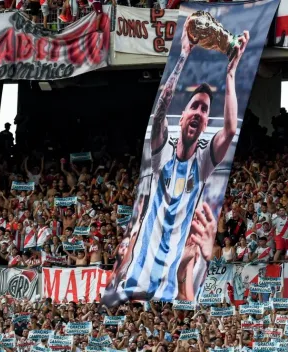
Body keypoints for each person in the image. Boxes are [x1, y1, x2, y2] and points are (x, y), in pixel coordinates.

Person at [102, 18, 249, 305]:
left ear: (207, 121)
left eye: (205, 110)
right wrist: (182, 56)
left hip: (172, 278)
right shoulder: (161, 152)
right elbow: (158, 115)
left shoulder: (204, 161)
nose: (199, 112)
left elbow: (230, 130)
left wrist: (230, 75)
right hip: (139, 275)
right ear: (182, 116)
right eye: (194, 106)